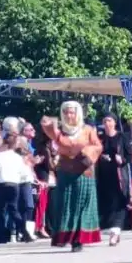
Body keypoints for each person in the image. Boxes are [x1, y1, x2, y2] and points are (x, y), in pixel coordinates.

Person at [43, 101, 103, 252]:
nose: (69, 115)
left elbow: (98, 146)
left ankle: (79, 239)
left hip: (84, 171)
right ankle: (65, 237)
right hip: (65, 171)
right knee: (66, 205)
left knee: (82, 205)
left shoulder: (88, 130)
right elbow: (49, 130)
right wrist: (49, 123)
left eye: (72, 112)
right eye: (66, 112)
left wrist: (87, 153)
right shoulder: (60, 131)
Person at [95, 115, 129, 246]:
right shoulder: (100, 139)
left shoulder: (122, 137)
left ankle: (115, 232)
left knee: (119, 204)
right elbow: (94, 153)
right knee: (108, 204)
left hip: (119, 176)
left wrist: (122, 159)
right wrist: (100, 157)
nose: (107, 123)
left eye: (109, 120)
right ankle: (115, 231)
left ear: (114, 122)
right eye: (104, 121)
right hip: (104, 176)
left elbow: (130, 155)